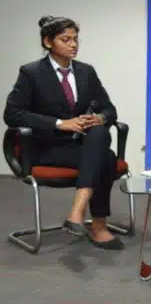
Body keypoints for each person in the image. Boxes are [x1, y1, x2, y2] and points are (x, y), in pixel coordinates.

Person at [3, 16, 124, 250]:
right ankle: (98, 226)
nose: (73, 44)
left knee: (99, 132)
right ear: (48, 42)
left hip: (80, 146)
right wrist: (60, 123)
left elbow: (109, 109)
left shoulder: (86, 72)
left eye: (76, 39)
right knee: (106, 158)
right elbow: (13, 114)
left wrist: (100, 118)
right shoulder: (31, 73)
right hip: (46, 147)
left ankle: (77, 212)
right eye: (65, 39)